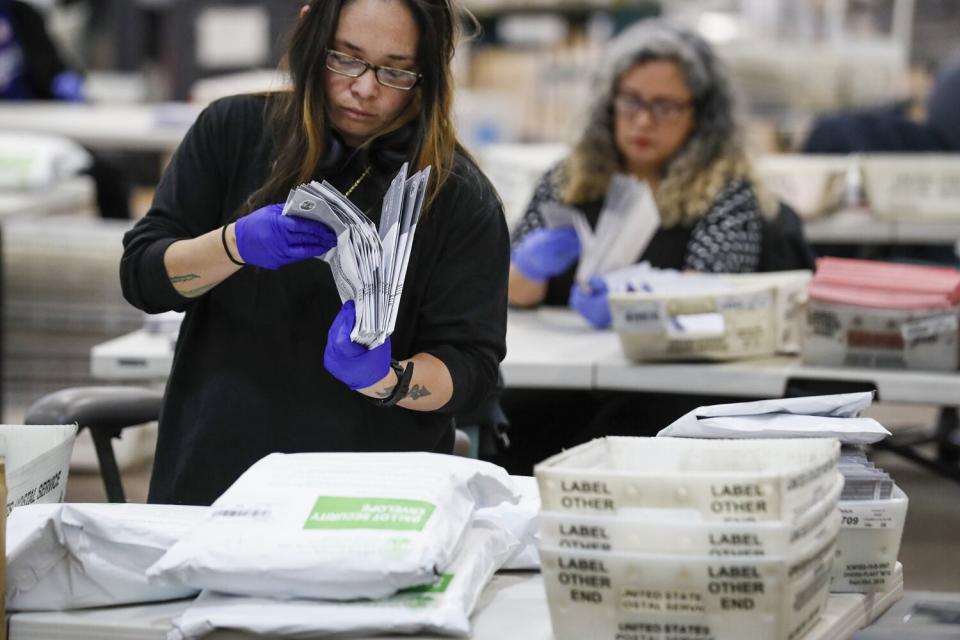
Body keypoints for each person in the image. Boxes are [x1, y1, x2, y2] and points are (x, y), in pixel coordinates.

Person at [120, 0, 509, 506]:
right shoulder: (233, 132)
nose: (365, 88)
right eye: (345, 58)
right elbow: (143, 279)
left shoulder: (454, 194)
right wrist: (232, 244)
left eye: (395, 71)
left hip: (366, 500)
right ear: (310, 35)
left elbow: (472, 369)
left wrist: (387, 380)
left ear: (428, 72)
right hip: (214, 486)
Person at [497, 20, 777, 475]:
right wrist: (527, 267)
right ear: (609, 103)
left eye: (665, 107)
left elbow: (714, 298)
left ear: (701, 114)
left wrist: (641, 301)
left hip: (666, 379)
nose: (644, 121)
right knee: (511, 421)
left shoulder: (724, 191)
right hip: (566, 374)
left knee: (621, 433)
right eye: (631, 102)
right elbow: (510, 290)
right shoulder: (570, 179)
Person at [0, 0, 130, 219]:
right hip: (11, 135)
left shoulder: (20, 14)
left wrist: (65, 81)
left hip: (35, 135)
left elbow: (55, 67)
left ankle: (127, 250)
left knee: (108, 175)